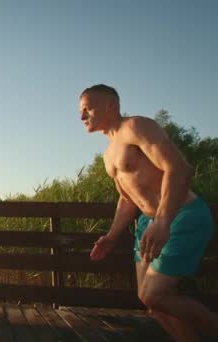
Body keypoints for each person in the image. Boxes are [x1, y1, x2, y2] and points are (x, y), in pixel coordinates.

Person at [83, 84, 217, 340]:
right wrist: (111, 237)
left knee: (153, 295)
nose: (82, 117)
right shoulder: (109, 154)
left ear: (111, 106)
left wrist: (164, 220)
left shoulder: (135, 127)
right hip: (150, 222)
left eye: (87, 108)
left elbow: (180, 168)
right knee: (153, 305)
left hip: (181, 215)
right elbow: (126, 199)